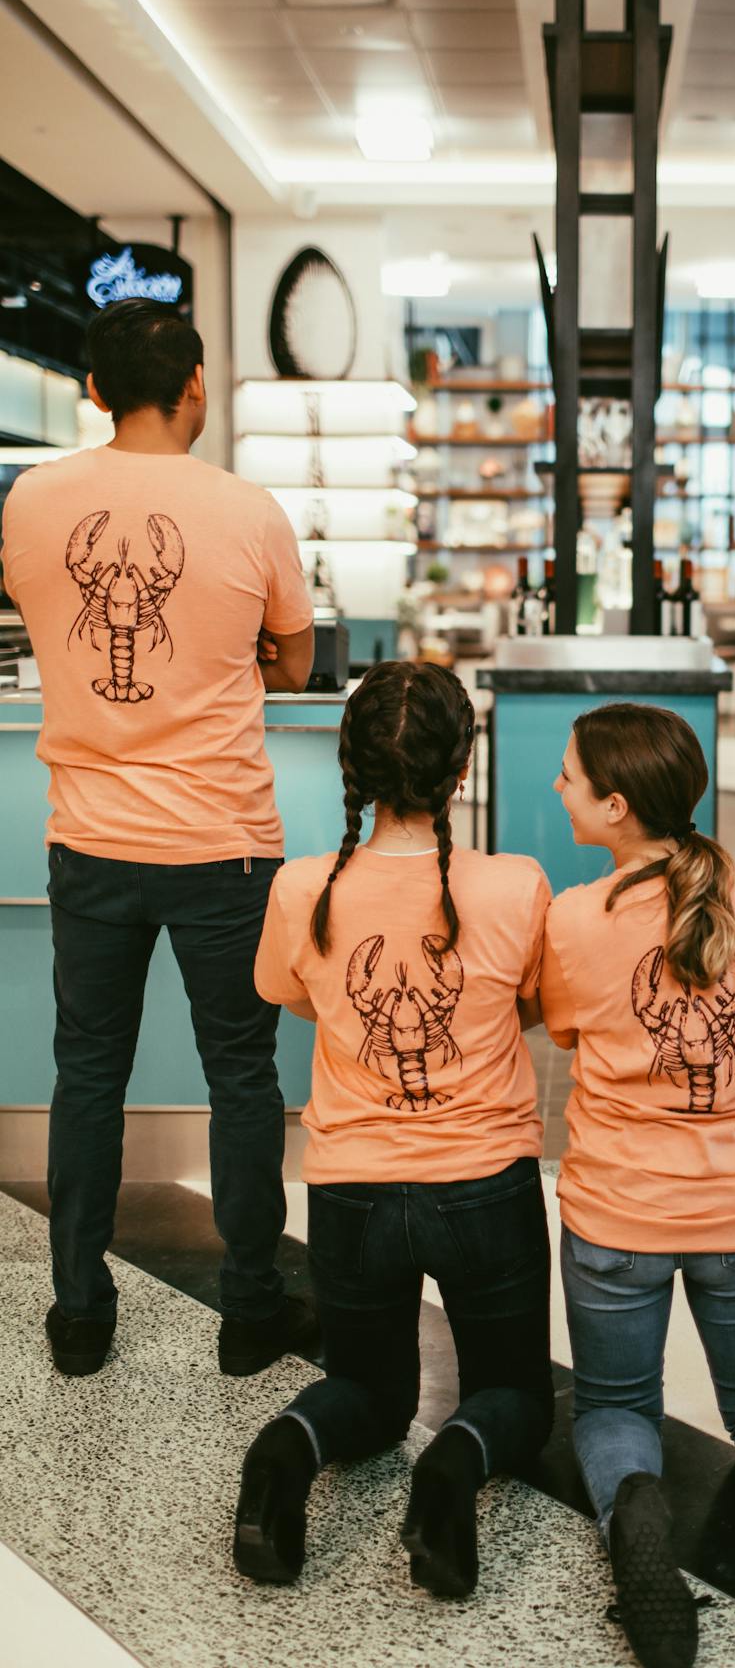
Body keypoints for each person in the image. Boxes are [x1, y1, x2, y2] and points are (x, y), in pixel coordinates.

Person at [0, 297, 317, 1379]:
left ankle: (81, 1315)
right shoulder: (250, 508)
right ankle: (250, 1310)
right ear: (195, 384)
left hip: (88, 839)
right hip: (223, 841)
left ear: (90, 391)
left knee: (85, 1073)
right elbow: (298, 662)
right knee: (243, 1075)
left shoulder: (33, 501)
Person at [542, 703, 735, 1668]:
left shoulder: (573, 918)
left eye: (569, 776)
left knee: (615, 1411)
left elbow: (562, 1034)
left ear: (617, 806)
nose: (559, 787)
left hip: (616, 1217)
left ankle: (637, 1518)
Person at [236, 661, 554, 1596]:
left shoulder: (302, 888)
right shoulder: (515, 886)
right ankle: (450, 1473)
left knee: (371, 1395)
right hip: (485, 1184)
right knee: (515, 1396)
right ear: (463, 772)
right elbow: (532, 1005)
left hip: (350, 1186)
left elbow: (285, 995)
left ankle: (280, 1459)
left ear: (354, 768)